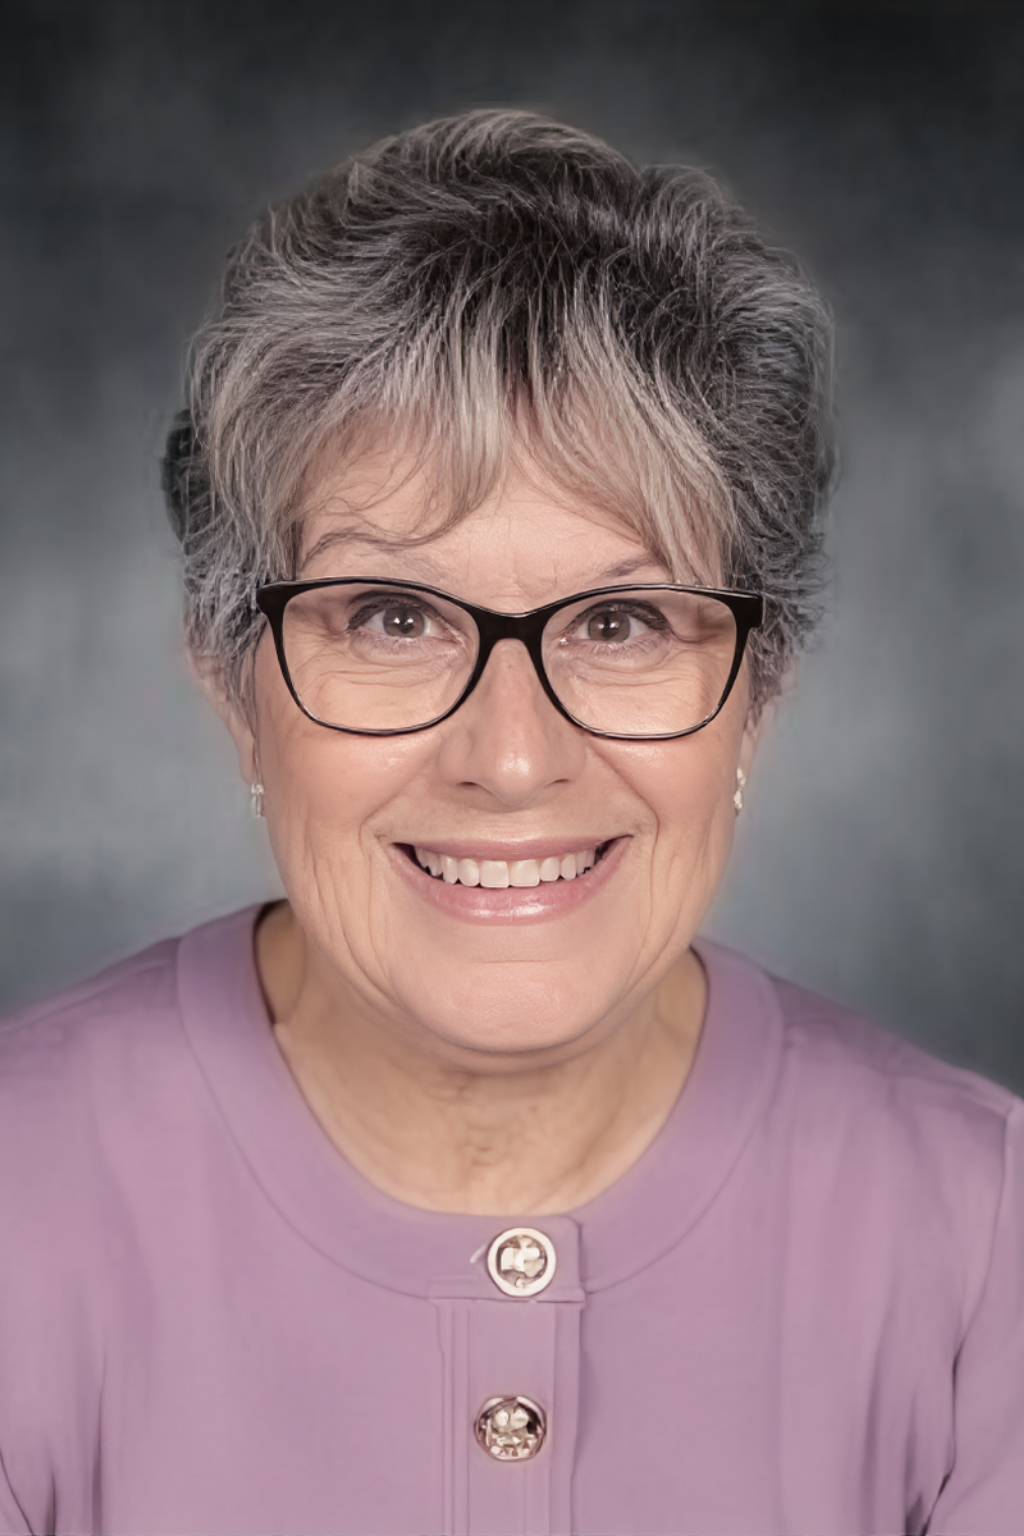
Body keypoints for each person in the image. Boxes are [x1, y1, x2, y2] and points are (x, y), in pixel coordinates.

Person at [0, 109, 1021, 1536]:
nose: (515, 756)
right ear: (237, 686)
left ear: (760, 690)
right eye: (395, 616)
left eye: (620, 620)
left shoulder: (990, 1251)